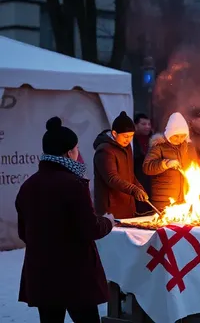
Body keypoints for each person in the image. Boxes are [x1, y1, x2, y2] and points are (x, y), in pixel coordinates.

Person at [16, 117, 115, 323]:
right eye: (77, 148)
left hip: (42, 273)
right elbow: (90, 229)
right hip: (74, 275)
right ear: (69, 152)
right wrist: (108, 222)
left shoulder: (28, 186)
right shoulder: (73, 185)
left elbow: (23, 233)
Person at [93, 111, 149, 219]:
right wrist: (134, 190)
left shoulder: (126, 147)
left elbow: (130, 174)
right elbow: (112, 178)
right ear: (114, 134)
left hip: (127, 206)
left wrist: (139, 188)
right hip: (111, 209)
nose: (128, 139)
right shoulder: (105, 150)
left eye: (131, 136)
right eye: (125, 136)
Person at [143, 112, 199, 210]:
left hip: (185, 199)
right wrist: (165, 164)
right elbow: (147, 167)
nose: (179, 139)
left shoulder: (189, 147)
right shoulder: (159, 146)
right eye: (176, 136)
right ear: (169, 133)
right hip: (164, 201)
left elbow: (196, 165)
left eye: (182, 136)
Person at [132, 113, 152, 195]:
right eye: (143, 124)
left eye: (149, 124)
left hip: (151, 179)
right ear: (135, 125)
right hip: (137, 178)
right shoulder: (131, 141)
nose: (147, 127)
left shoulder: (154, 140)